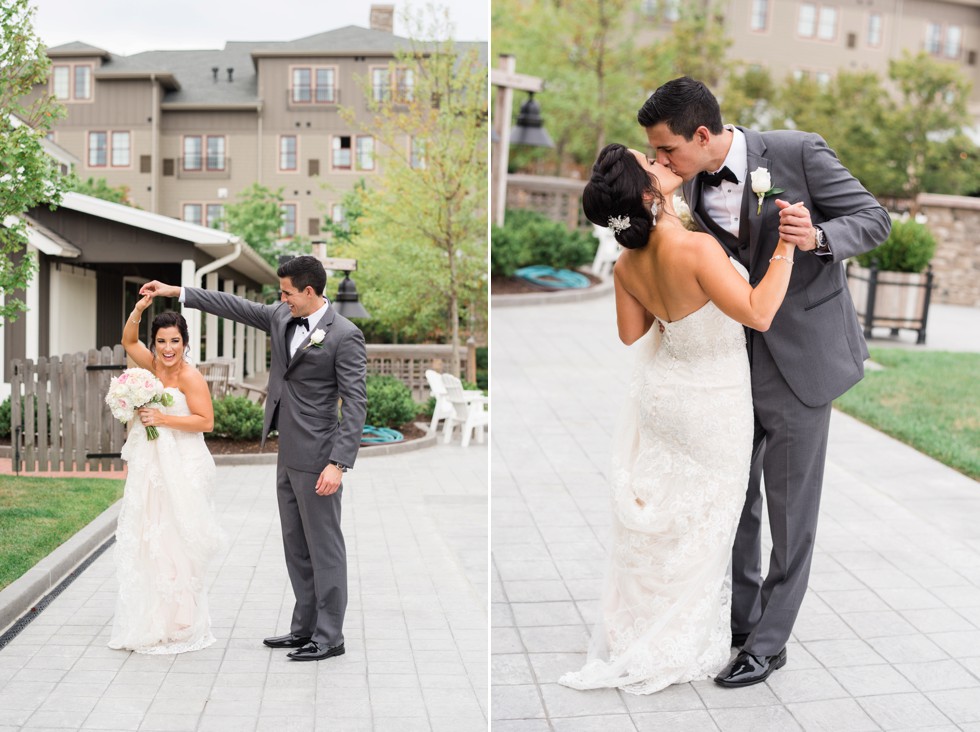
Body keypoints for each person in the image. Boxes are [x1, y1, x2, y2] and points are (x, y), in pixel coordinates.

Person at [638, 77, 890, 687]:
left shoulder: (799, 151)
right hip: (726, 366)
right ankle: (742, 622)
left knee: (789, 508)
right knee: (736, 499)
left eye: (666, 150)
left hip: (802, 360)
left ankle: (770, 643)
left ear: (703, 135)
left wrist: (823, 237)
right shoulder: (686, 183)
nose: (659, 162)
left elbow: (874, 218)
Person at [559, 143, 798, 695]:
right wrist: (786, 247)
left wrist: (673, 314)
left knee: (670, 516)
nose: (660, 161)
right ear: (646, 194)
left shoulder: (626, 261)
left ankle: (646, 625)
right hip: (714, 399)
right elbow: (759, 312)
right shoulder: (694, 249)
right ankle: (679, 635)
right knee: (705, 521)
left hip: (665, 397)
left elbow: (630, 334)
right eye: (651, 163)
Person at [140, 255, 368, 661]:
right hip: (287, 450)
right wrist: (178, 292)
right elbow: (233, 306)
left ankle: (330, 635)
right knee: (296, 544)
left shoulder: (345, 335)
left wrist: (339, 462)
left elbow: (355, 403)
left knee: (324, 546)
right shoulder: (282, 316)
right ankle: (304, 628)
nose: (281, 299)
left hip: (319, 456)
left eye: (287, 292)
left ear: (309, 292)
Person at [109, 306, 222, 654]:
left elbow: (206, 422)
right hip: (155, 465)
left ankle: (184, 619)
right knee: (155, 537)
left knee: (180, 537)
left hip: (186, 462)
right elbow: (128, 339)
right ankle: (159, 616)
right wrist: (140, 308)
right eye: (161, 341)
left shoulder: (191, 377)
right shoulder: (152, 367)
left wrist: (161, 418)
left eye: (174, 340)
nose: (167, 348)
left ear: (185, 342)